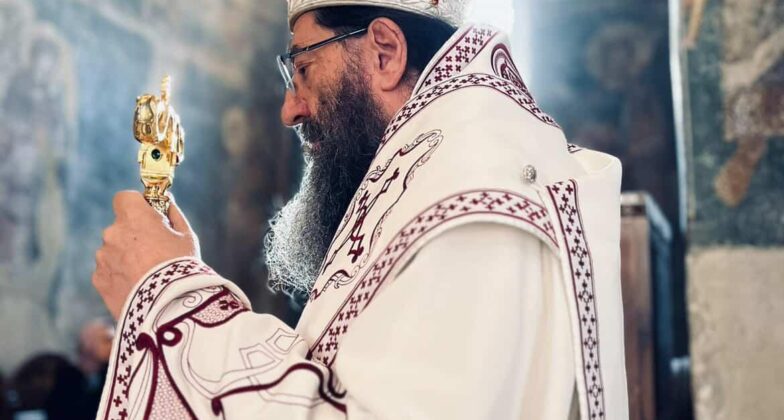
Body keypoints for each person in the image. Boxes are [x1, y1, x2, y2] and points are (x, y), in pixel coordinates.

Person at [92, 1, 629, 419]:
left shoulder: (473, 193)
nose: (289, 109)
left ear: (385, 53)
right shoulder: (441, 175)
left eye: (304, 68)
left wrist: (171, 296)